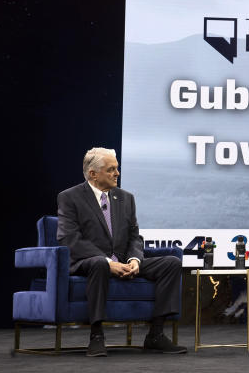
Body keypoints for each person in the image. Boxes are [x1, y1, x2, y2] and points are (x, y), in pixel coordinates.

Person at [56, 147, 186, 357]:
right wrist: (108, 262)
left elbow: (135, 236)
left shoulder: (126, 198)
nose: (117, 174)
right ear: (93, 174)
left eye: (117, 169)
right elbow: (70, 239)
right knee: (99, 263)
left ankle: (155, 335)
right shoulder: (70, 197)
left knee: (171, 263)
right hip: (88, 263)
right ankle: (96, 336)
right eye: (111, 170)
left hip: (125, 262)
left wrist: (135, 259)